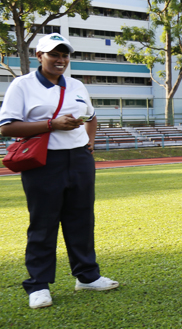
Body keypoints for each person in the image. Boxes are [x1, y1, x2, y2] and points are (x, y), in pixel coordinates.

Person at [0, 33, 118, 309]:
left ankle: (87, 276)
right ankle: (38, 285)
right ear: (40, 56)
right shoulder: (22, 85)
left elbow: (91, 116)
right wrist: (51, 125)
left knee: (81, 219)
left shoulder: (76, 85)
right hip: (44, 162)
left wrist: (89, 143)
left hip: (78, 159)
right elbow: (6, 127)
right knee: (44, 222)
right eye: (54, 54)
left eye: (65, 55)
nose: (60, 60)